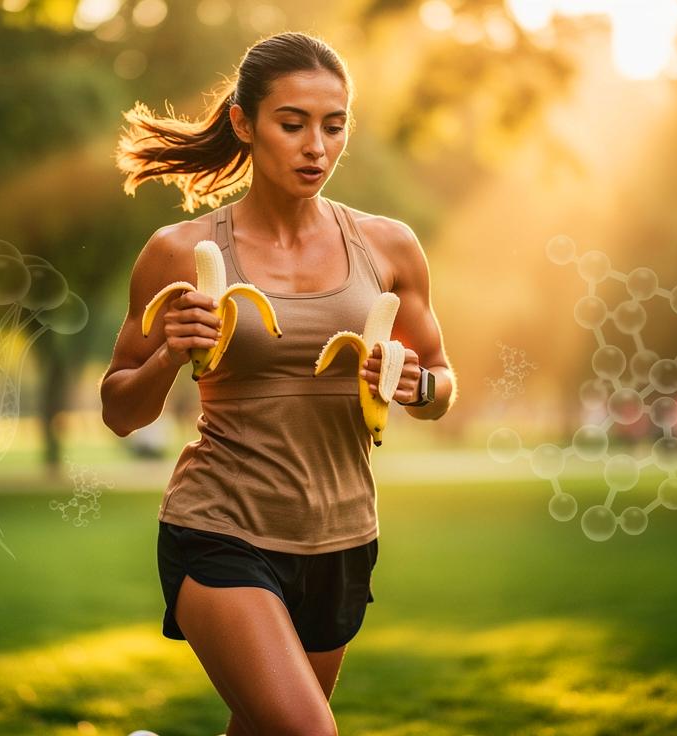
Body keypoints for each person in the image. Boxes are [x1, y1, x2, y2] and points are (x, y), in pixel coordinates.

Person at [102, 31, 456, 736]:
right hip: (221, 528)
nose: (315, 147)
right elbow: (118, 409)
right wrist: (171, 353)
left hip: (341, 538)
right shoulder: (179, 251)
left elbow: (443, 384)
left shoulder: (388, 247)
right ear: (244, 122)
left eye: (334, 126)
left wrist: (417, 386)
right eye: (292, 124)